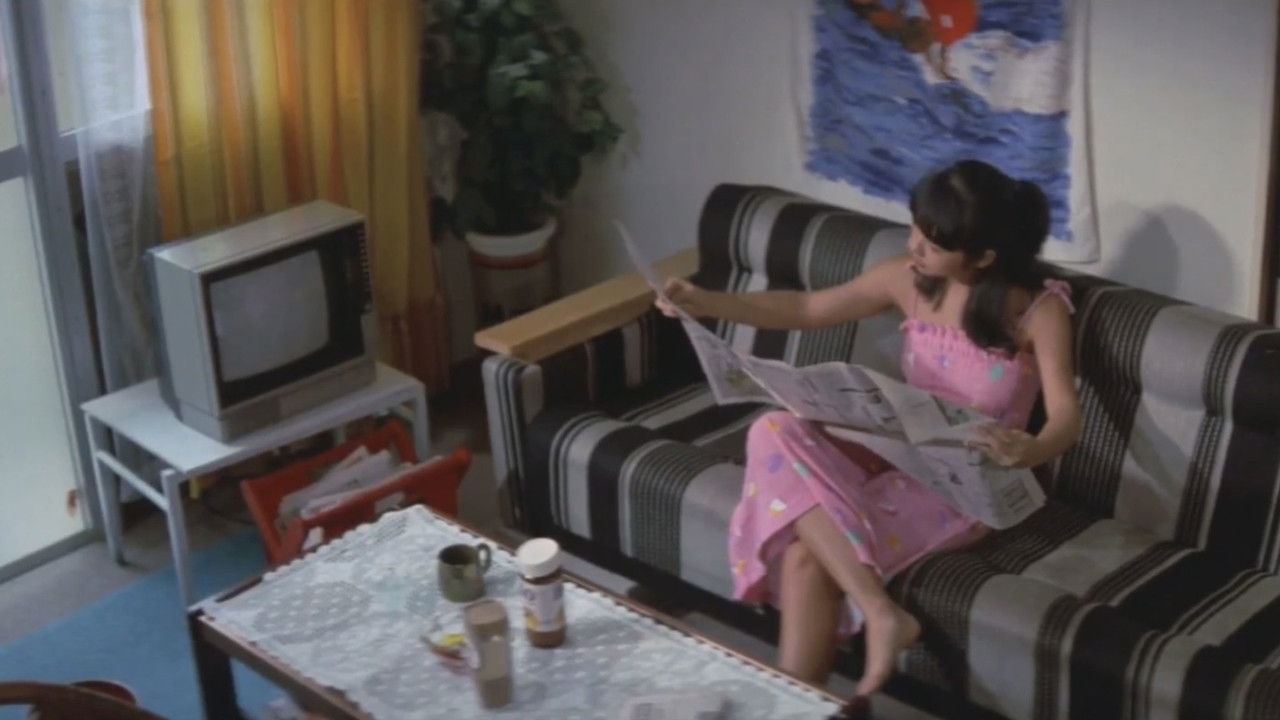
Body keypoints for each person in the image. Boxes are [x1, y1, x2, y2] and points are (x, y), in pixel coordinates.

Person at [655, 160, 1082, 706]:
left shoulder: (1040, 310)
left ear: (982, 257)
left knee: (807, 559)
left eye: (933, 243)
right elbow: (807, 307)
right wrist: (705, 302)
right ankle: (879, 612)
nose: (914, 246)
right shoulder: (908, 278)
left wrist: (1033, 448)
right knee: (773, 427)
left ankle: (802, 697)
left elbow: (1066, 415)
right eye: (916, 228)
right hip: (893, 447)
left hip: (964, 483)